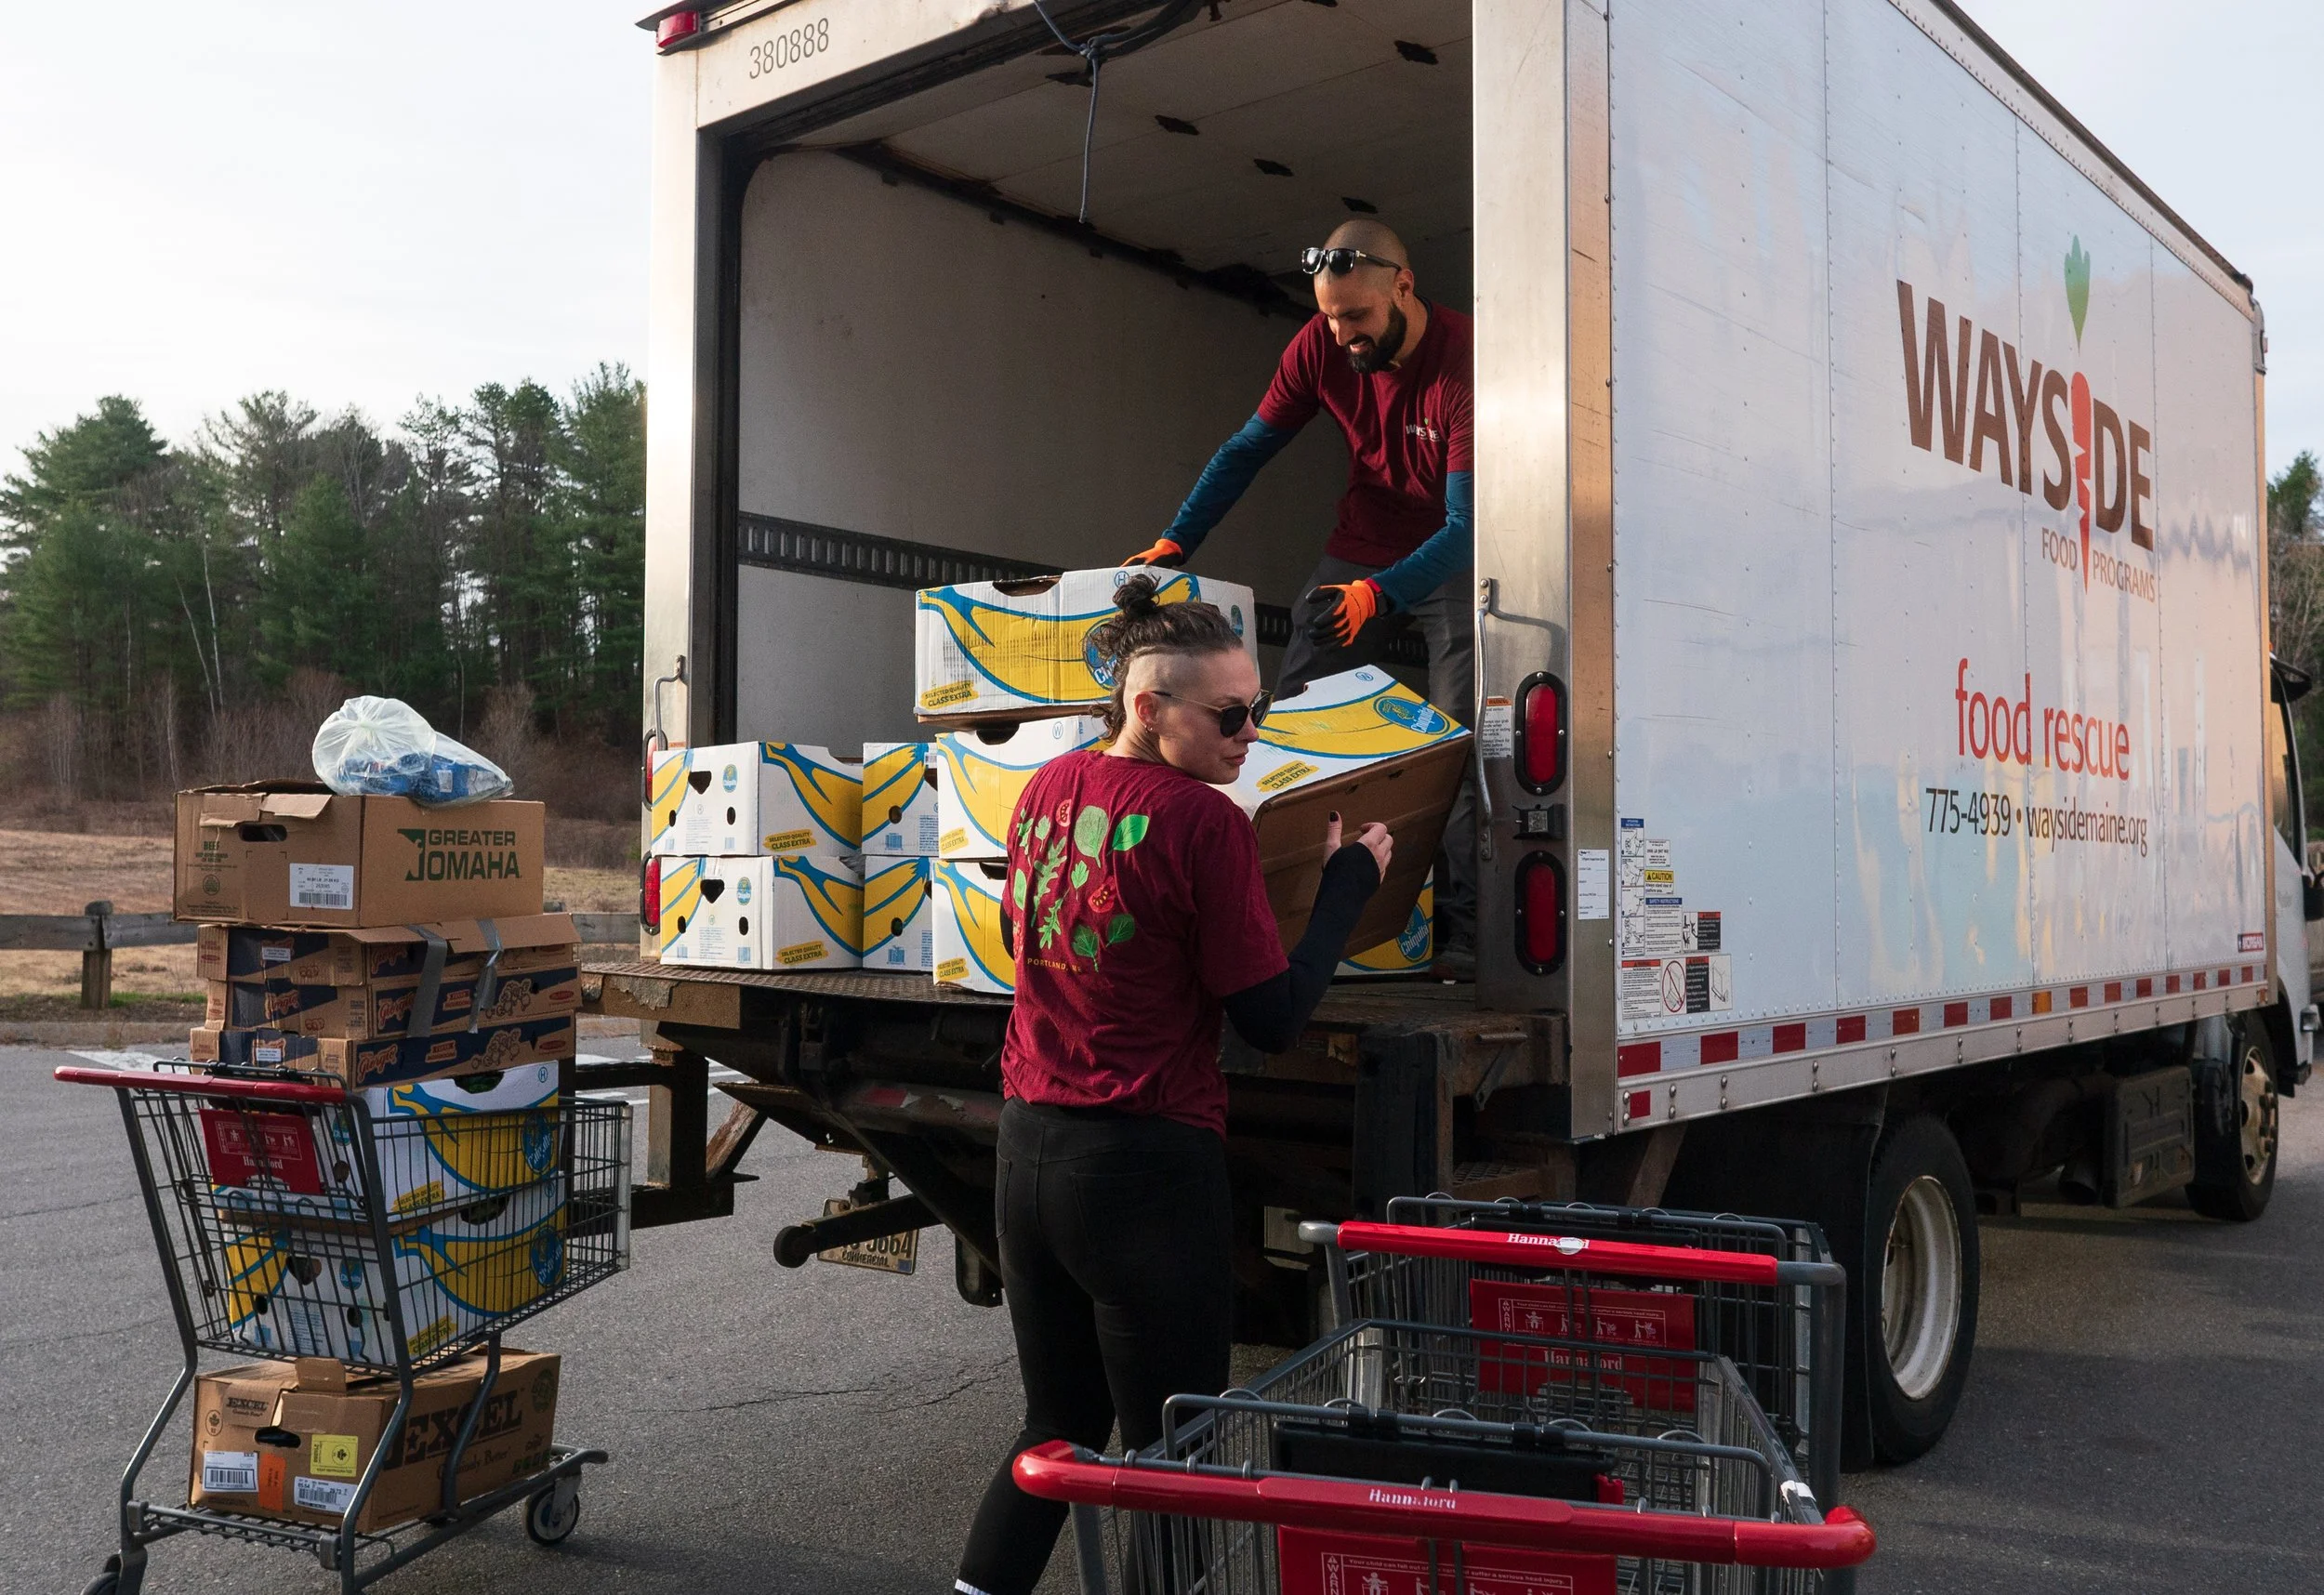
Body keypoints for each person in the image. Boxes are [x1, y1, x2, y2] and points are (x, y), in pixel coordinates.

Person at [953, 574, 1393, 1595]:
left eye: (1259, 711)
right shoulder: (1202, 822)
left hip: (1028, 1151)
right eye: (1230, 716)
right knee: (1179, 1455)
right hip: (1145, 1167)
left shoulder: (1046, 790)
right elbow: (1271, 1019)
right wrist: (1342, 893)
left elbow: (1026, 942)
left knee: (1054, 1432)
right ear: (1147, 708)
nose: (1250, 734)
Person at [1121, 217, 1477, 979]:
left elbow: (1464, 525)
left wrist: (1379, 594)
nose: (1342, 333)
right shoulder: (1320, 345)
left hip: (1450, 555)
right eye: (1329, 316)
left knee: (1461, 737)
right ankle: (1275, 910)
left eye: (1357, 316)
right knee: (1291, 712)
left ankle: (1463, 935)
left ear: (1404, 288)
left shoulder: (1464, 360)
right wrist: (1177, 541)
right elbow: (1248, 448)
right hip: (1363, 540)